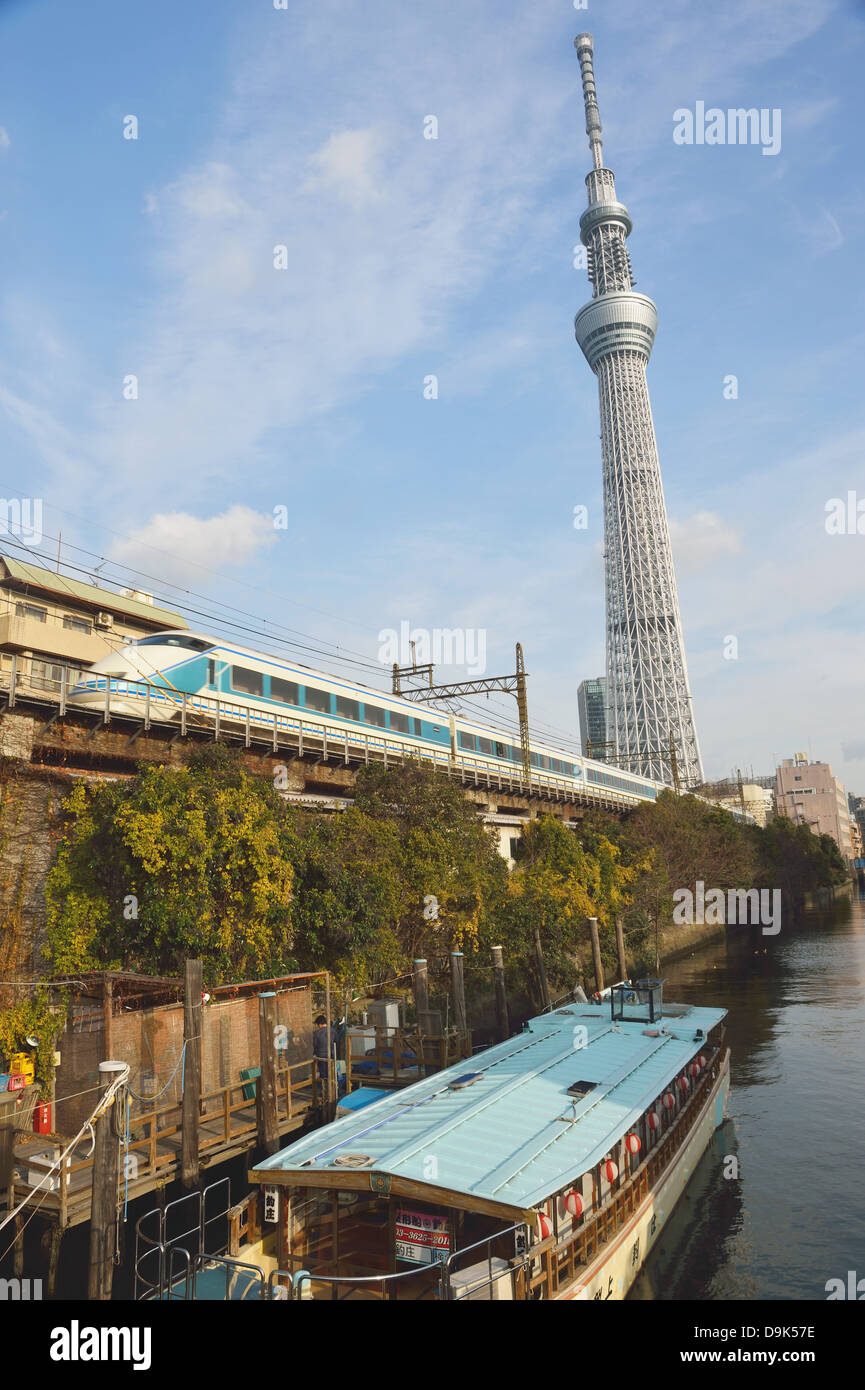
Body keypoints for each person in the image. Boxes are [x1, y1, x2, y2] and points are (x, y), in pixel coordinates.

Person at [312, 1015, 330, 1083]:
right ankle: (335, 1091)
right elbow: (337, 1042)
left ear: (319, 1024)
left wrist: (315, 1054)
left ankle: (325, 1092)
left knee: (323, 1076)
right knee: (332, 1074)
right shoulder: (333, 1031)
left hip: (321, 1057)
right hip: (332, 1056)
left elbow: (315, 1045)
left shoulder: (317, 1033)